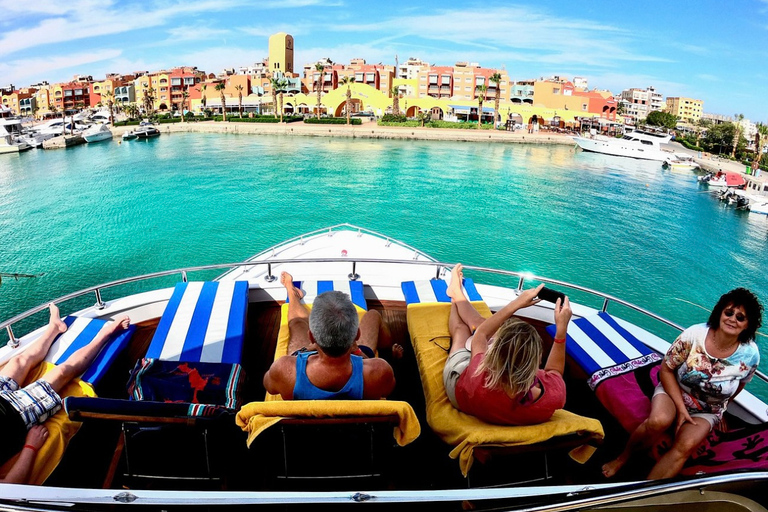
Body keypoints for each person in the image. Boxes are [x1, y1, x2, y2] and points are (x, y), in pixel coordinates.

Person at [602, 288, 763, 480]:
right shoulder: (694, 335)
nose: (732, 319)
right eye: (729, 312)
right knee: (658, 421)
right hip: (675, 390)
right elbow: (666, 369)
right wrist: (681, 409)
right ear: (720, 312)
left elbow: (740, 384)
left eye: (740, 317)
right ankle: (622, 458)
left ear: (748, 325)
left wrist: (722, 407)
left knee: (685, 446)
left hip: (707, 409)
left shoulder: (751, 354)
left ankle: (644, 494)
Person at [0, 304, 130, 484]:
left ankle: (54, 327)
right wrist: (31, 446)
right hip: (16, 415)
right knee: (63, 372)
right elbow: (9, 488)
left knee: (18, 360)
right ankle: (104, 335)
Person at [443, 264, 572, 425]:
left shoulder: (479, 376)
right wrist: (561, 330)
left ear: (493, 354)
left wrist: (516, 304)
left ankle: (455, 295)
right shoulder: (553, 397)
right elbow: (554, 372)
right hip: (494, 397)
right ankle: (456, 294)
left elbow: (481, 334)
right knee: (480, 324)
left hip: (461, 391)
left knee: (462, 330)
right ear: (537, 362)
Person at [263, 272, 396, 400]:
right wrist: (357, 352)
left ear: (311, 337)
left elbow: (269, 386)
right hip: (356, 358)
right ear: (357, 335)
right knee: (373, 315)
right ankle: (390, 351)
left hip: (303, 408)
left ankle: (291, 293)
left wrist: (305, 351)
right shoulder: (380, 371)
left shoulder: (283, 370)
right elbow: (387, 390)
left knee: (297, 323)